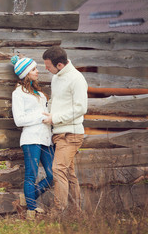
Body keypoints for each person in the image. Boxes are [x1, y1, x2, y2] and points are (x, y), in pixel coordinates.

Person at [42, 46, 88, 217]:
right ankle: (76, 212)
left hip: (72, 134)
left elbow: (80, 108)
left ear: (60, 65)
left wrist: (55, 118)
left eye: (48, 66)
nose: (45, 68)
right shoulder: (56, 77)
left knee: (58, 169)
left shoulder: (76, 79)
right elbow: (55, 101)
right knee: (69, 173)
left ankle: (57, 210)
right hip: (59, 133)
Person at [11, 55, 55, 219]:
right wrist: (40, 117)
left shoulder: (40, 93)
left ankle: (28, 198)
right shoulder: (18, 93)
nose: (37, 71)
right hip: (31, 139)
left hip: (46, 138)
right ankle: (31, 210)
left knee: (53, 175)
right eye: (34, 69)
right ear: (26, 73)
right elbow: (19, 120)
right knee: (31, 174)